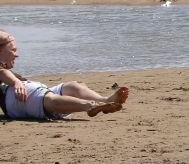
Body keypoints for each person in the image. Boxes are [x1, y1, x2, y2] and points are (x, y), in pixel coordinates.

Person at [0, 30, 129, 120]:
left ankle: (105, 100)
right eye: (13, 50)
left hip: (27, 92)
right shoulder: (4, 72)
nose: (17, 54)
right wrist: (16, 82)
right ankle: (90, 106)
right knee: (50, 100)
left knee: (73, 86)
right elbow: (2, 73)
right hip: (14, 98)